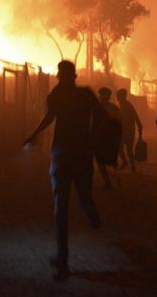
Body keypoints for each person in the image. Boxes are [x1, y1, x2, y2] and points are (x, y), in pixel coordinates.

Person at [24, 60, 101, 281]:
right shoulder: (87, 95)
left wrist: (33, 135)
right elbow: (101, 117)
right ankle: (90, 209)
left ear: (60, 75)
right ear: (75, 76)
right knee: (84, 195)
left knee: (61, 207)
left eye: (59, 73)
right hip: (83, 154)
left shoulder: (57, 94)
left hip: (63, 155)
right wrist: (93, 140)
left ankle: (63, 260)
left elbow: (49, 118)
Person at [94, 87, 123, 189]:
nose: (102, 97)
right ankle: (109, 182)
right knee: (101, 160)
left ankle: (114, 180)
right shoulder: (97, 108)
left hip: (109, 137)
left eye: (103, 95)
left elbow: (119, 123)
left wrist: (118, 137)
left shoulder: (112, 109)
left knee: (111, 160)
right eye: (101, 95)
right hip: (100, 137)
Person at [116, 89, 143, 173]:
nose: (117, 98)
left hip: (128, 132)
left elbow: (136, 117)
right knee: (123, 149)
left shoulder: (128, 106)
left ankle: (129, 165)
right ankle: (129, 165)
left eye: (119, 96)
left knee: (127, 150)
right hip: (124, 132)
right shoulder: (122, 106)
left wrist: (140, 129)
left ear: (123, 96)